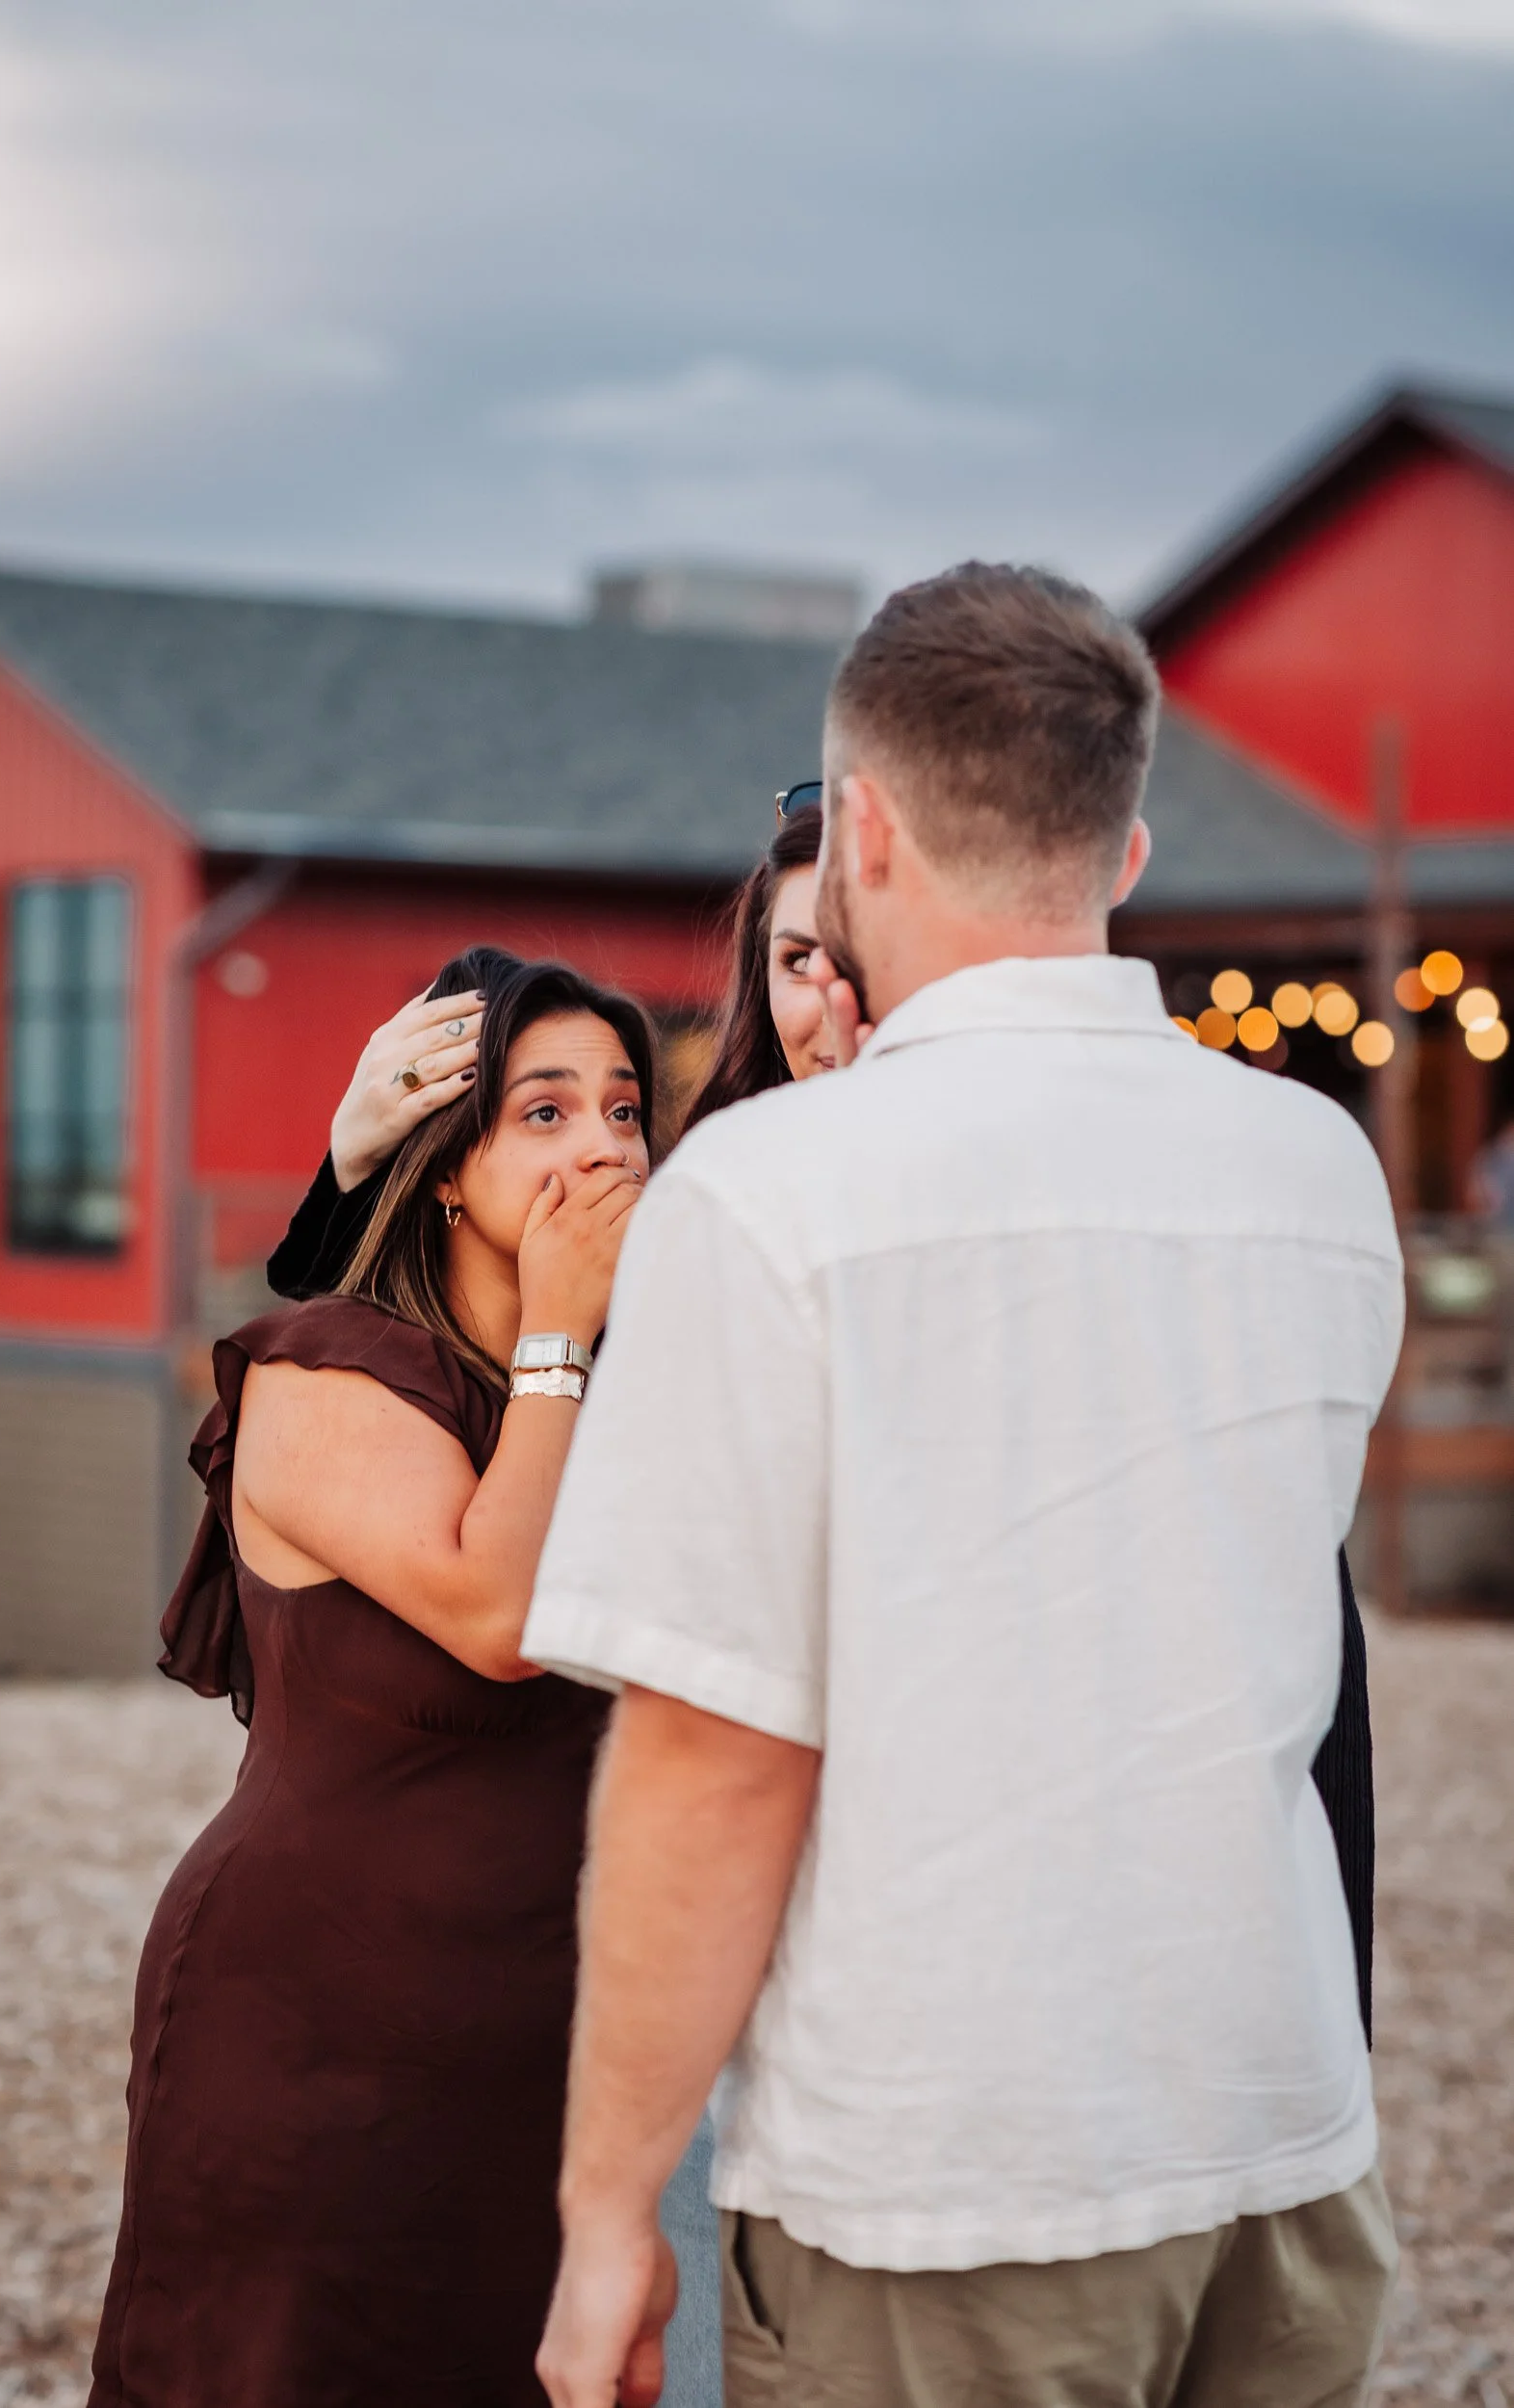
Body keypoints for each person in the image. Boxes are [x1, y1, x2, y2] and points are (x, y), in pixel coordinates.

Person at [524, 563, 1403, 2408]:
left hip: (946, 2193)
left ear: (861, 830)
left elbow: (708, 1761)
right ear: (1128, 847)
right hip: (1279, 2137)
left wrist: (610, 2214)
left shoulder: (768, 1200)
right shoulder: (1317, 1167)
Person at [89, 946, 653, 2408]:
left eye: (622, 1106)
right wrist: (556, 1337)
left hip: (555, 2038)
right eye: (543, 1111)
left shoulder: (620, 1386)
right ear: (447, 1171)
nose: (598, 1143)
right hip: (317, 2026)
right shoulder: (328, 1372)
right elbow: (494, 1609)